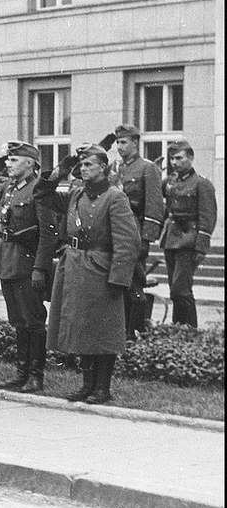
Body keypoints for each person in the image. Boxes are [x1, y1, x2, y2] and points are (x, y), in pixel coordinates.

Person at [35, 144, 140, 404]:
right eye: (80, 165)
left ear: (103, 167)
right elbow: (41, 195)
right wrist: (57, 172)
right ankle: (87, 385)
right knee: (82, 328)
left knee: (101, 331)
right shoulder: (77, 193)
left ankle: (102, 388)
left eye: (88, 164)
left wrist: (119, 278)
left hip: (101, 269)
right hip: (75, 267)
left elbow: (128, 241)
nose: (83, 169)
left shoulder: (115, 197)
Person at [0, 141, 58, 393]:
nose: (8, 164)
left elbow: (49, 234)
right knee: (18, 321)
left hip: (28, 263)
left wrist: (40, 268)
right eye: (8, 159)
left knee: (33, 320)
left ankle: (35, 376)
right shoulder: (8, 188)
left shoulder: (38, 190)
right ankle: (21, 374)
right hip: (8, 260)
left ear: (30, 163)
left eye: (14, 160)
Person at [108, 123, 165, 339]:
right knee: (119, 283)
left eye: (124, 142)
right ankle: (121, 332)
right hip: (115, 234)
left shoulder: (147, 168)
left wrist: (146, 240)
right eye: (118, 142)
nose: (120, 147)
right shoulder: (115, 168)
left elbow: (154, 207)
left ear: (135, 143)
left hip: (135, 233)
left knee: (134, 286)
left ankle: (134, 333)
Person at [160, 140, 217, 327]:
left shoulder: (201, 184)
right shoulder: (170, 181)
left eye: (179, 158)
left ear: (190, 158)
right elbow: (153, 195)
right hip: (170, 239)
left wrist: (201, 248)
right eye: (172, 159)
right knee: (176, 290)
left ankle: (188, 332)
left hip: (188, 241)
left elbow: (208, 217)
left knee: (181, 290)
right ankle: (180, 330)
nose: (174, 162)